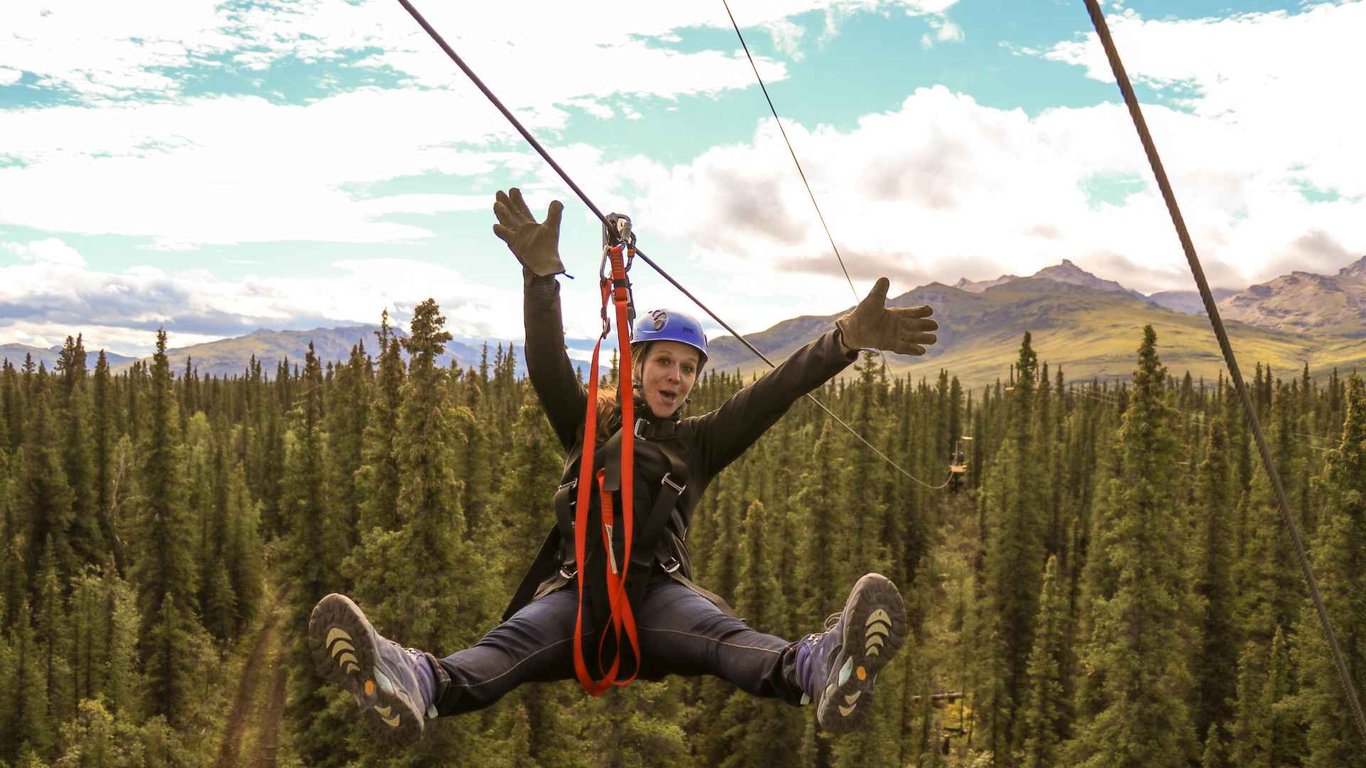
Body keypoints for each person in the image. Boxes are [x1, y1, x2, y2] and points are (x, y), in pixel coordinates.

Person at [308, 187, 939, 745]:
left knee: (728, 642)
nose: (676, 376)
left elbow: (775, 393)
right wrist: (540, 280)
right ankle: (408, 680)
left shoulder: (700, 443)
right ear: (638, 365)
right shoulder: (588, 429)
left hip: (659, 598)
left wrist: (845, 340)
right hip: (577, 598)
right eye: (664, 361)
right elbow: (550, 365)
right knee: (501, 654)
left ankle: (824, 667)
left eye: (688, 368)